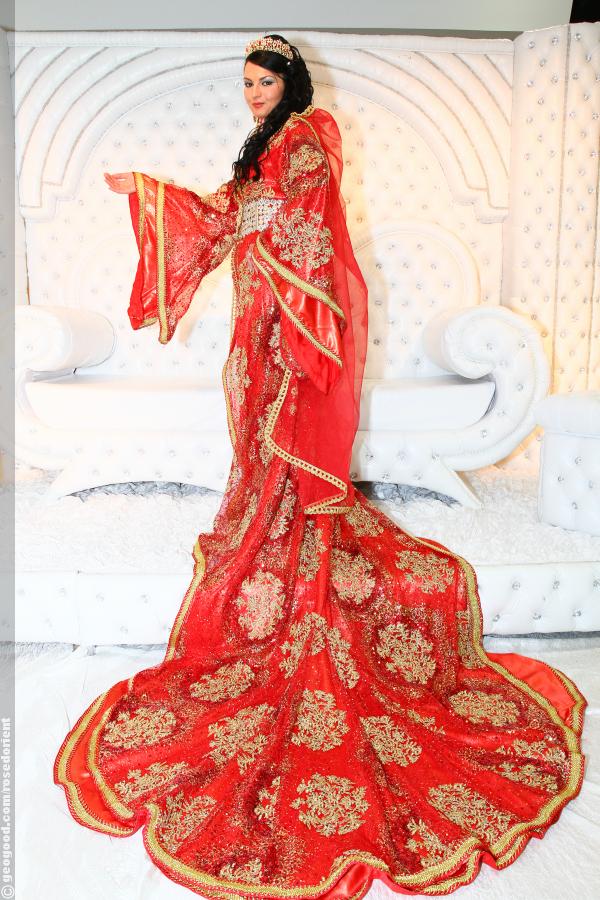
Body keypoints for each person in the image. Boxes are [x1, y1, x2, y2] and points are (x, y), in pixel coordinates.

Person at [54, 33, 586, 899]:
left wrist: (273, 261)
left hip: (285, 318)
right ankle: (267, 526)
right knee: (251, 433)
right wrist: (152, 195)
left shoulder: (310, 133)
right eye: (245, 82)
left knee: (282, 435)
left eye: (264, 80)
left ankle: (291, 540)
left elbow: (309, 226)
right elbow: (219, 220)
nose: (253, 93)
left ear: (290, 81)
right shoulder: (258, 147)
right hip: (253, 318)